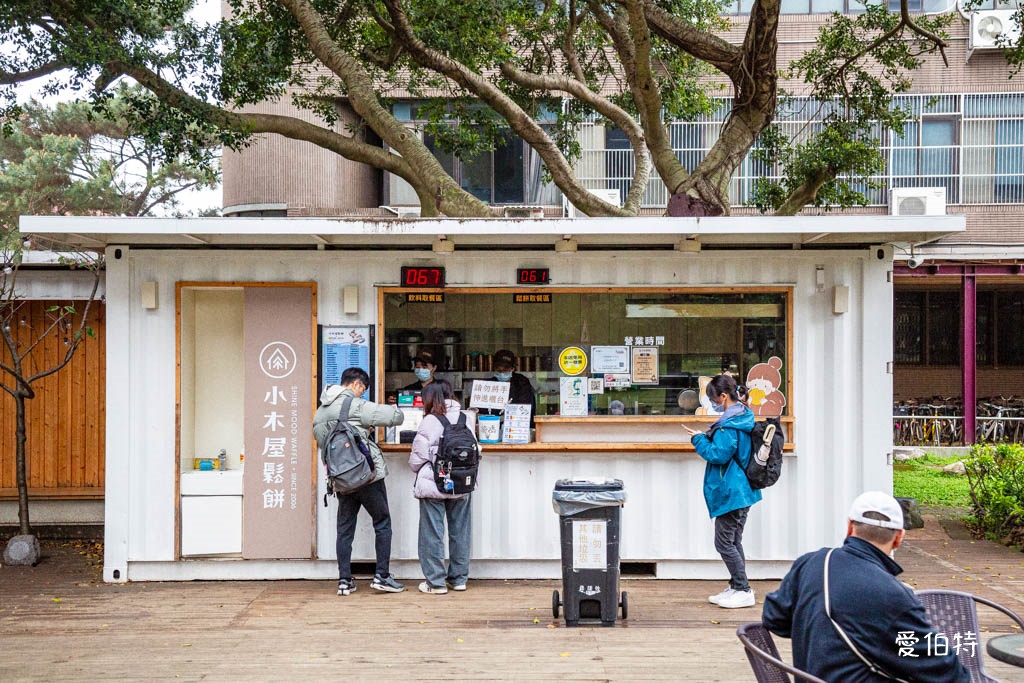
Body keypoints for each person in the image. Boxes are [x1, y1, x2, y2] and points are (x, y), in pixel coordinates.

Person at [762, 491, 970, 682]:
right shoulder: (896, 597)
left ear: (850, 526)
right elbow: (949, 673)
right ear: (899, 538)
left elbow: (774, 619)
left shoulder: (811, 562)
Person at [313, 367, 406, 596]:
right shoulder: (355, 404)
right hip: (366, 475)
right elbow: (396, 417)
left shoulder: (320, 411)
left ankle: (344, 581)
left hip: (341, 478)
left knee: (344, 529)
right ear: (356, 384)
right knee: (382, 522)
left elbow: (322, 440)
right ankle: (382, 576)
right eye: (362, 389)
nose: (362, 394)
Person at [682, 373, 760, 609]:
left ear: (724, 396)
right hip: (741, 490)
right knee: (733, 541)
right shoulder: (741, 417)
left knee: (724, 543)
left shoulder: (729, 425)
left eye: (714, 399)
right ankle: (737, 586)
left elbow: (718, 454)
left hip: (732, 491)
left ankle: (743, 589)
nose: (713, 404)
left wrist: (698, 440)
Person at [408, 380, 475, 594]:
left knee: (432, 533)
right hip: (462, 482)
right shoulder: (468, 418)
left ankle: (435, 582)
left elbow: (417, 459)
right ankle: (459, 579)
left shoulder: (429, 421)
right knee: (460, 532)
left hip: (434, 483)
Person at [481, 349, 536, 426]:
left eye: (505, 370)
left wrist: (498, 419)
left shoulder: (521, 383)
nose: (502, 373)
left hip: (517, 427)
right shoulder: (489, 385)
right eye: (499, 370)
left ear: (512, 369)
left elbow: (524, 410)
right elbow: (478, 412)